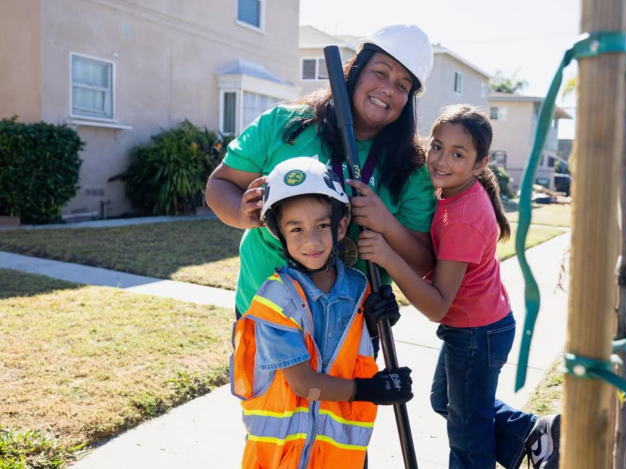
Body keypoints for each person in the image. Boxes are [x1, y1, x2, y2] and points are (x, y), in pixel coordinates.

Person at [354, 104, 560, 469]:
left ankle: (529, 434)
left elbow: (436, 307)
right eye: (437, 147)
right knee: (447, 401)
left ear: (480, 165)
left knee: (469, 438)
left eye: (458, 154)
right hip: (481, 325)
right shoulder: (454, 194)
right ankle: (531, 432)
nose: (441, 160)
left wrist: (387, 256)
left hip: (476, 334)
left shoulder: (463, 217)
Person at [205, 24, 438, 319]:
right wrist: (241, 214)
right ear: (356, 69)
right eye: (380, 72)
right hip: (264, 315)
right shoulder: (284, 124)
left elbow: (421, 263)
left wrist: (385, 223)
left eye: (403, 85)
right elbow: (219, 184)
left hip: (351, 327)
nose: (388, 89)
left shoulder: (412, 169)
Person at [231, 157, 412, 469]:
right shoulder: (275, 302)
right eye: (296, 228)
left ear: (341, 226)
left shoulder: (359, 287)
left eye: (322, 226)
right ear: (280, 233)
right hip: (281, 458)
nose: (311, 240)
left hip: (338, 458)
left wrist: (376, 320)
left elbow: (354, 350)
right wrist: (374, 389)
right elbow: (304, 384)